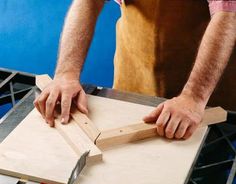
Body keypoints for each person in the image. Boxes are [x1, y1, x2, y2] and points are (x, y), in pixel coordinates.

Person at [34, 0, 236, 139]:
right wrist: (66, 74)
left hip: (203, 93)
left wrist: (194, 97)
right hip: (132, 81)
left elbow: (228, 15)